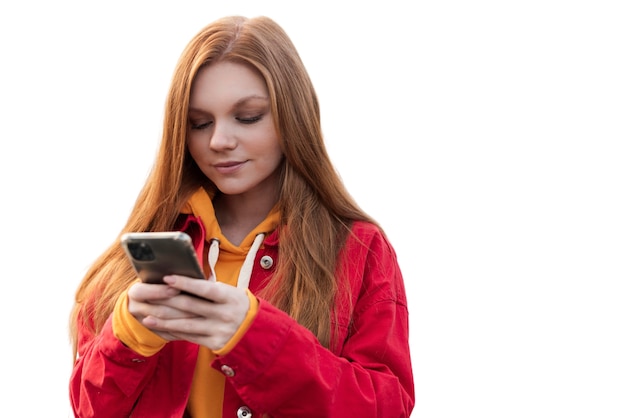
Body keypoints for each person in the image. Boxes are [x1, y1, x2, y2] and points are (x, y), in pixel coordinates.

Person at [69, 15, 415, 418]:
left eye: (248, 117)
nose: (219, 141)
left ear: (293, 116)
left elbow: (386, 408)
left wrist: (252, 335)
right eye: (199, 123)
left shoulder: (359, 248)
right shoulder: (139, 253)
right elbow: (89, 410)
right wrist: (126, 335)